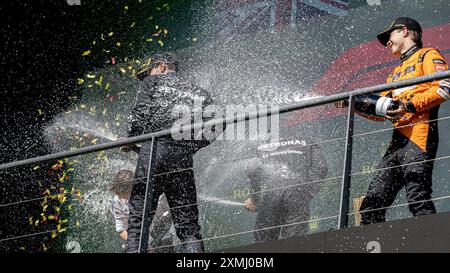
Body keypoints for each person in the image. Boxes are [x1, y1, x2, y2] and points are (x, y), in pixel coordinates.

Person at [339, 17, 449, 225]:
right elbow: (381, 112)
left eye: (389, 36)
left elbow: (445, 87)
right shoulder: (394, 73)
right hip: (396, 144)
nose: (387, 42)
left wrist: (408, 105)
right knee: (371, 204)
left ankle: (434, 244)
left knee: (418, 197)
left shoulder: (428, 55)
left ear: (405, 31)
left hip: (420, 134)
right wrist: (353, 104)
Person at [123, 52, 215, 253]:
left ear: (162, 66)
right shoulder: (197, 91)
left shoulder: (153, 82)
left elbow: (139, 116)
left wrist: (131, 138)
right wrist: (191, 146)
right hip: (181, 157)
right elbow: (218, 123)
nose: (148, 76)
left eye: (150, 71)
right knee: (188, 227)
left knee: (138, 224)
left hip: (153, 152)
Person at [244, 135, 328, 242]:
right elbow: (321, 168)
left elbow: (252, 169)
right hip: (297, 193)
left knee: (263, 243)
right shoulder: (307, 140)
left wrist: (256, 199)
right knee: (294, 244)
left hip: (270, 196)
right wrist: (305, 191)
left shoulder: (262, 146)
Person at [108, 169, 177, 253]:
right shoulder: (117, 199)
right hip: (136, 241)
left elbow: (170, 214)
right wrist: (139, 243)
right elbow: (121, 230)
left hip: (162, 237)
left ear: (133, 189)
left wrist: (152, 243)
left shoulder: (156, 193)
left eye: (123, 195)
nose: (120, 198)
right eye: (118, 195)